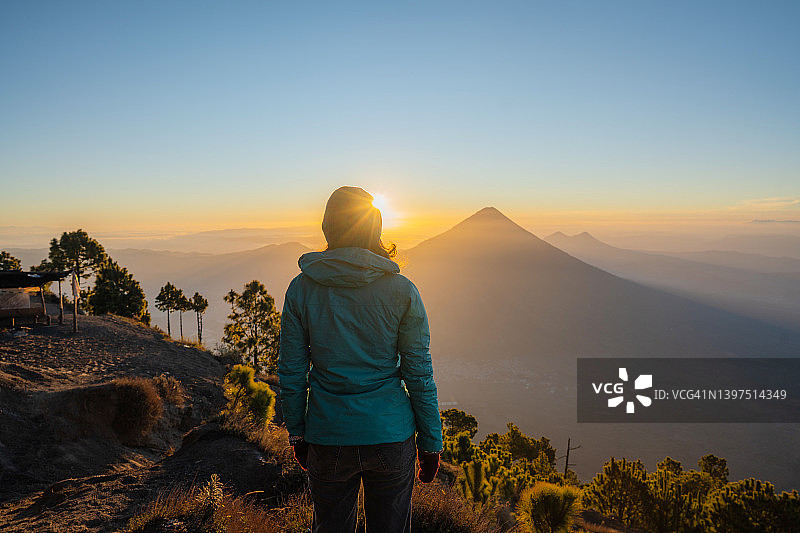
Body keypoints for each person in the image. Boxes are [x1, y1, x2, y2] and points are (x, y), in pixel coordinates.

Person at [278, 186, 443, 533]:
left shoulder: (301, 289)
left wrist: (298, 434)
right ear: (375, 228)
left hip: (328, 433)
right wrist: (431, 442)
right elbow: (419, 373)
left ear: (328, 226)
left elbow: (292, 372)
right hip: (390, 433)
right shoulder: (402, 291)